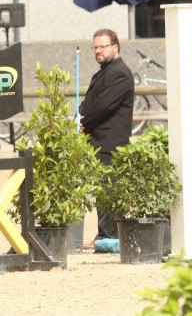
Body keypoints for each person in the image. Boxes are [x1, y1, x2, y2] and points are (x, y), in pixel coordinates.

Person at [79, 28, 134, 249]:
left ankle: (106, 237)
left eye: (102, 47)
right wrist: (78, 116)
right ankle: (106, 235)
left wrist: (84, 121)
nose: (98, 51)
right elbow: (89, 102)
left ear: (115, 47)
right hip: (98, 140)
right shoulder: (103, 72)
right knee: (103, 191)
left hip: (111, 142)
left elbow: (104, 106)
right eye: (95, 47)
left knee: (107, 191)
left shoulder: (120, 73)